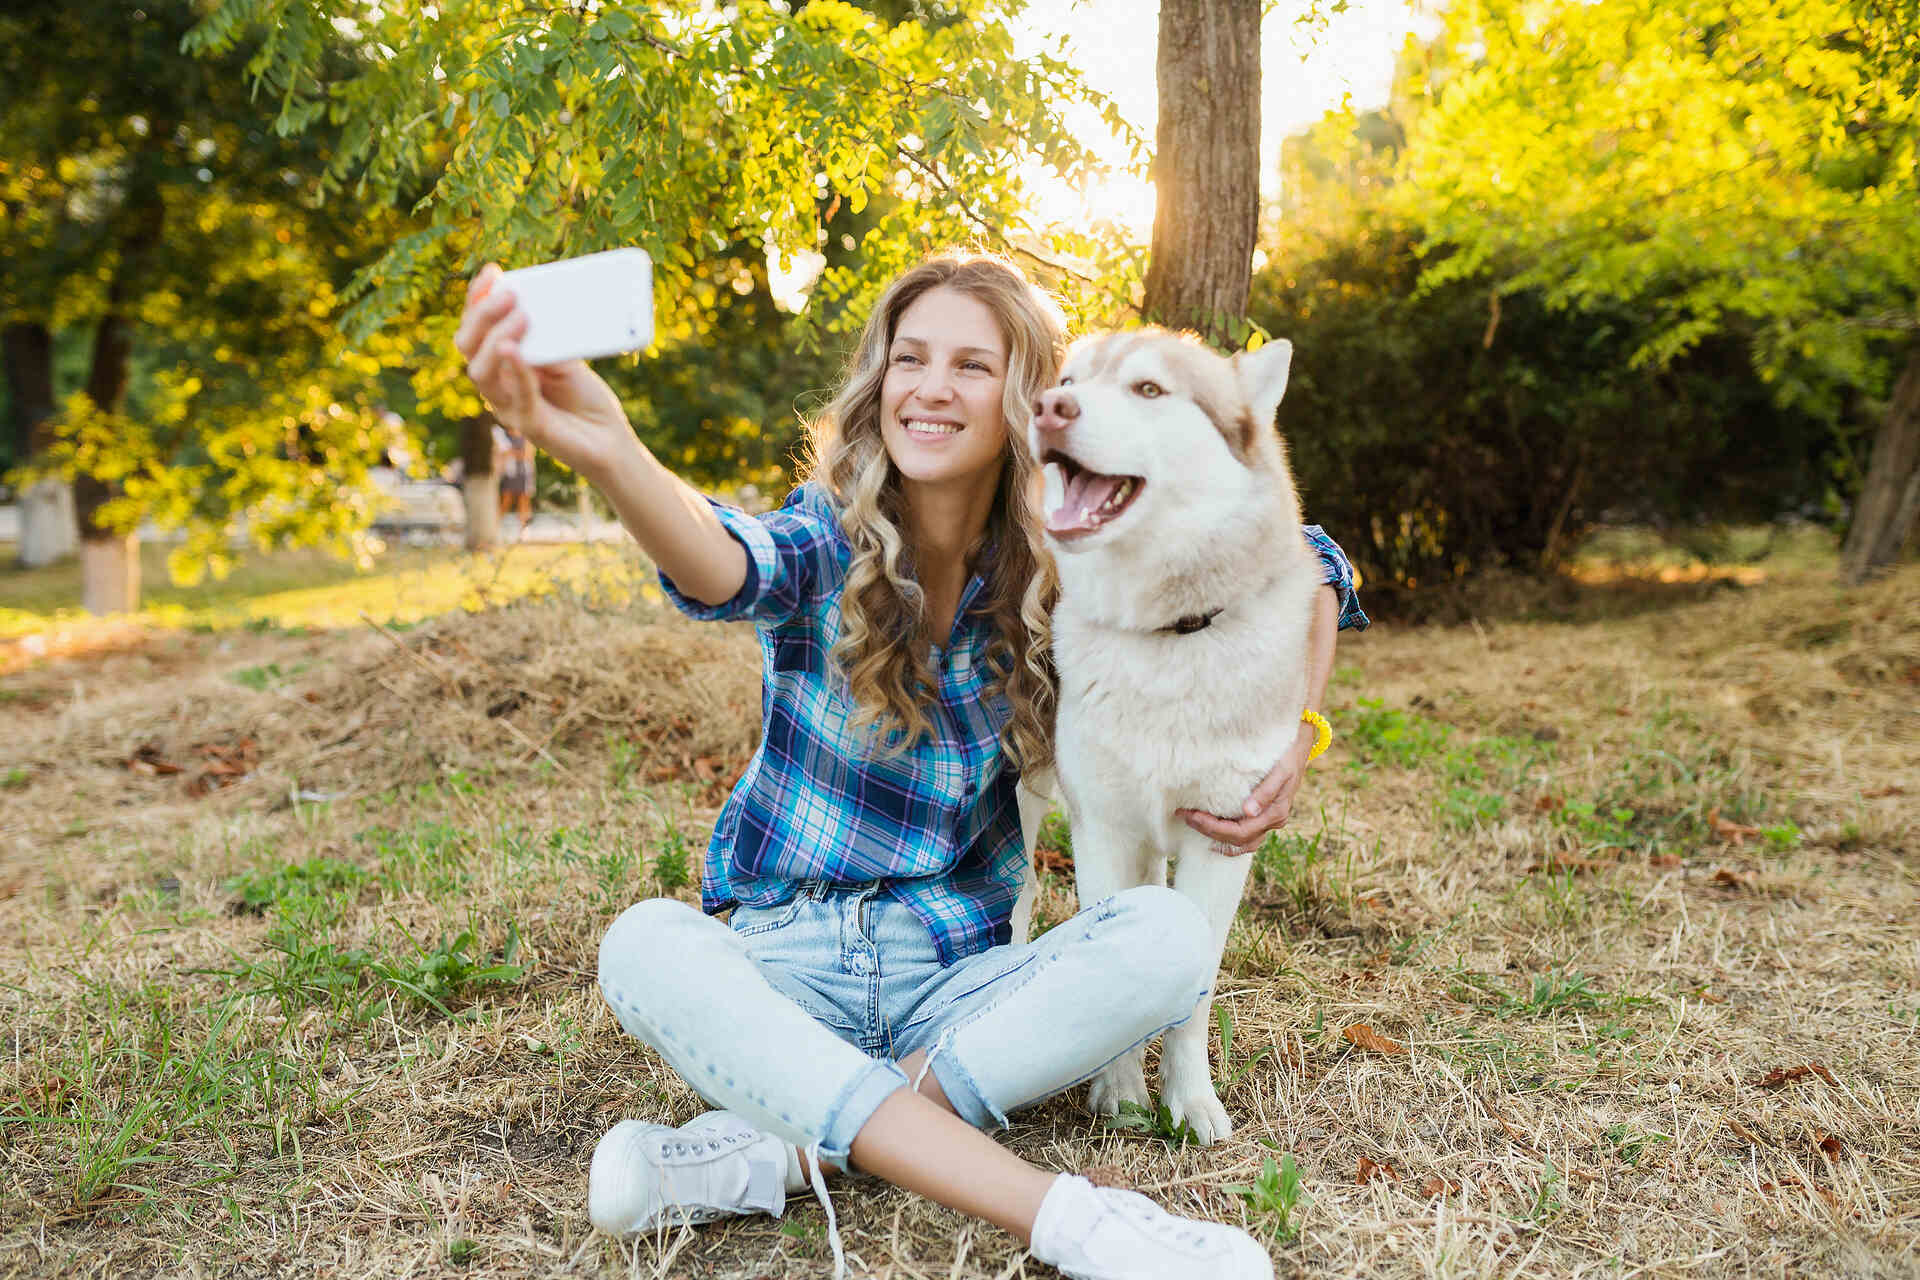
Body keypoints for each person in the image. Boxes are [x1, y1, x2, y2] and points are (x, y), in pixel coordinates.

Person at [454, 252, 1367, 1280]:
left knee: (1166, 935)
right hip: (783, 966)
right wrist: (610, 447)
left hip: (957, 983)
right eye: (910, 357)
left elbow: (1307, 554)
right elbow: (720, 558)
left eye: (973, 366)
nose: (930, 385)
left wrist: (1300, 728)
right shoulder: (821, 536)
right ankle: (1075, 1219)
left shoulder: (1073, 556)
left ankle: (768, 1149)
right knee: (644, 942)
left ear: (1035, 405)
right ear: (879, 381)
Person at [493, 420, 535, 524]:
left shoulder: (525, 436)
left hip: (524, 472)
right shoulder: (502, 435)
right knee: (506, 499)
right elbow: (502, 453)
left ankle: (524, 529)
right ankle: (495, 525)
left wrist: (511, 453)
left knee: (524, 500)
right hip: (509, 473)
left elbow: (528, 455)